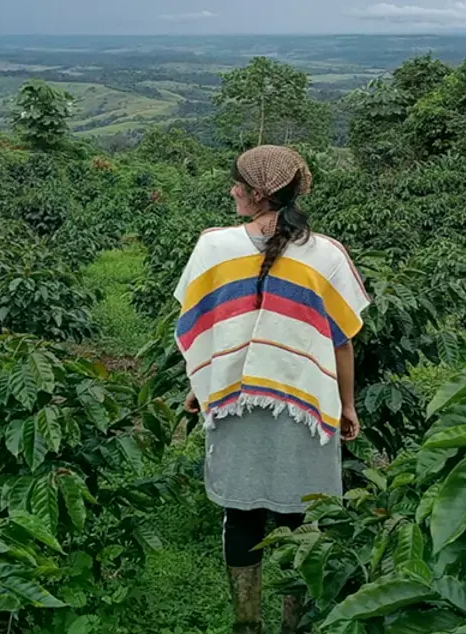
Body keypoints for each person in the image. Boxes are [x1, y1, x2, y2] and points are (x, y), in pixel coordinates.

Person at [172, 145, 370, 634]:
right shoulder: (326, 254)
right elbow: (341, 342)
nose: (231, 189)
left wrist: (203, 387)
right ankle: (294, 626)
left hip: (236, 405)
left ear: (258, 193)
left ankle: (246, 624)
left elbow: (200, 326)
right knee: (302, 521)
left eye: (237, 182)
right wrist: (346, 405)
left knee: (241, 514)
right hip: (304, 405)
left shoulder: (213, 246)